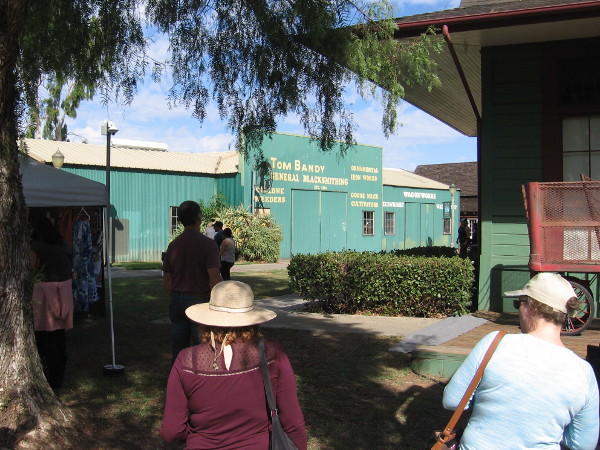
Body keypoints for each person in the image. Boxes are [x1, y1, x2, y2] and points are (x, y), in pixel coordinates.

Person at [442, 272, 599, 449]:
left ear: (530, 307)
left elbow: (452, 400)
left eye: (518, 303)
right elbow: (583, 444)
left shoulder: (495, 343)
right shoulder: (584, 373)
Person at [160, 280, 307, 449]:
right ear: (253, 319)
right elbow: (293, 421)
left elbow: (171, 432)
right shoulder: (272, 353)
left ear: (207, 320)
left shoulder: (187, 361)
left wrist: (202, 434)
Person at [163, 201, 222, 363]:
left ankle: (179, 382)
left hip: (177, 299)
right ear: (199, 217)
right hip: (199, 300)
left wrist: (176, 294)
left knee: (179, 351)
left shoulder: (173, 245)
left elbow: (167, 280)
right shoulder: (208, 245)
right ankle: (201, 382)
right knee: (202, 350)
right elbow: (215, 279)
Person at [29, 215, 74, 389]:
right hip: (63, 290)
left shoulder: (37, 245)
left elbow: (32, 267)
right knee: (59, 335)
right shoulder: (62, 243)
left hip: (45, 292)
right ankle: (59, 374)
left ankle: (51, 376)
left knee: (45, 336)